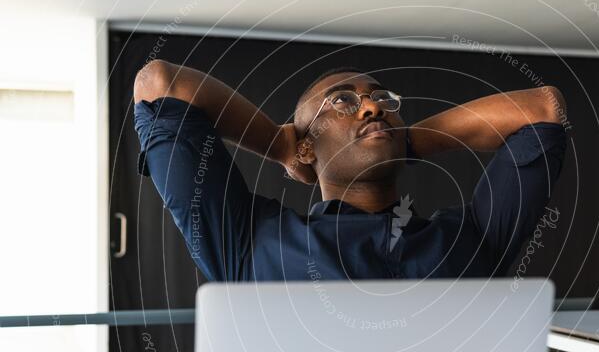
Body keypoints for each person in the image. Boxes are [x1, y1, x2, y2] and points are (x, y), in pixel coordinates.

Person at [133, 60, 567, 281]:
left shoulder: (471, 237)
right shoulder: (248, 243)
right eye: (343, 101)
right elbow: (160, 83)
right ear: (307, 146)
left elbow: (544, 109)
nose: (374, 106)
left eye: (382, 102)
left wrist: (407, 141)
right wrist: (281, 145)